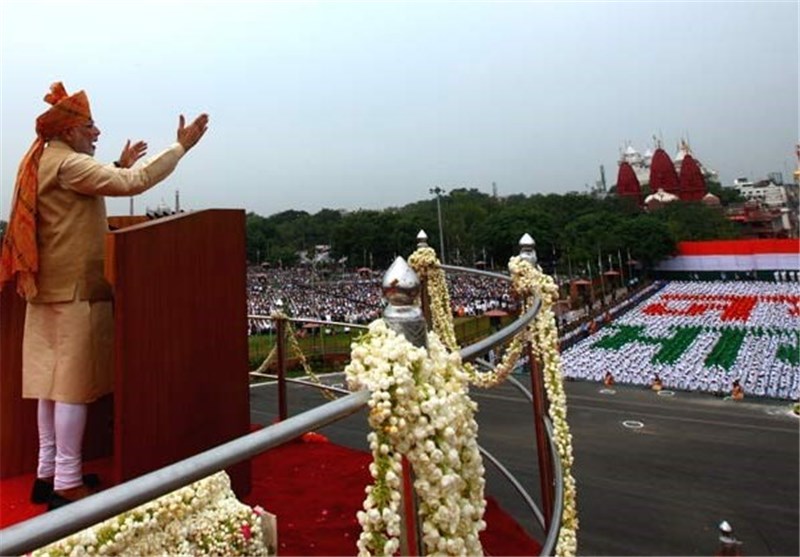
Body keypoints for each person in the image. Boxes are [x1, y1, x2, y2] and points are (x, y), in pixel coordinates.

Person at [0, 82, 209, 509]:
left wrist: (114, 163)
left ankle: (47, 474)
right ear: (70, 131)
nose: (97, 133)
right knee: (72, 389)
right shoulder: (69, 164)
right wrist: (179, 147)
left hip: (46, 290)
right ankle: (67, 482)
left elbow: (80, 192)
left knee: (49, 387)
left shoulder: (43, 159)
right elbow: (135, 182)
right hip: (74, 291)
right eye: (91, 126)